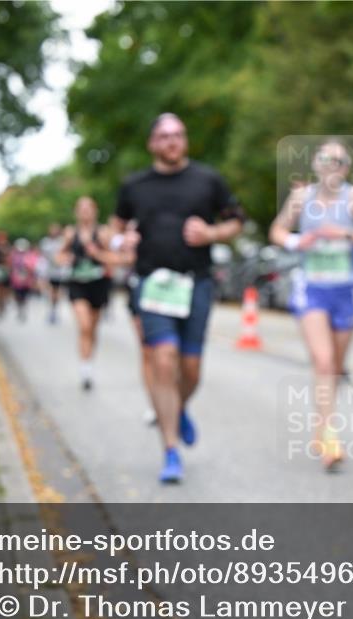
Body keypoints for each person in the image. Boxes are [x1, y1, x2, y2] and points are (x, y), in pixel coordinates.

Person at [111, 112, 244, 484]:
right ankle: (170, 449)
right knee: (163, 359)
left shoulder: (207, 180)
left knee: (191, 370)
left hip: (196, 283)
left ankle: (178, 407)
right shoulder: (134, 186)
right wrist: (124, 241)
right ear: (152, 143)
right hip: (152, 283)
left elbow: (237, 221)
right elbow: (115, 229)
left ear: (184, 141)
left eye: (179, 135)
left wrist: (212, 233)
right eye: (165, 136)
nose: (172, 142)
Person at [269, 139, 353, 471]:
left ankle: (322, 425)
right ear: (316, 165)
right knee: (323, 361)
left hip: (345, 290)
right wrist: (296, 241)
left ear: (346, 167)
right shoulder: (301, 198)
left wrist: (344, 235)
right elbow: (277, 230)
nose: (331, 166)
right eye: (325, 160)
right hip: (312, 288)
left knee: (335, 365)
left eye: (338, 161)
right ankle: (330, 434)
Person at [58, 197, 120, 391]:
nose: (85, 212)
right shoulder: (70, 233)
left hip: (98, 284)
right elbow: (59, 255)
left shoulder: (103, 233)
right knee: (84, 326)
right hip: (77, 284)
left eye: (88, 208)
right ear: (76, 212)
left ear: (95, 211)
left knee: (92, 329)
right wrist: (64, 259)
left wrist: (98, 255)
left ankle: (88, 363)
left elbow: (115, 259)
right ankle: (85, 370)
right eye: (81, 209)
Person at [38, 223, 68, 324]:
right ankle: (51, 311)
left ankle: (54, 311)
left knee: (57, 292)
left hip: (59, 272)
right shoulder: (45, 242)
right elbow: (43, 257)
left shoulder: (62, 241)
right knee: (50, 291)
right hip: (49, 271)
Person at [9, 238, 36, 323]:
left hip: (27, 280)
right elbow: (10, 265)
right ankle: (19, 308)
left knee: (25, 295)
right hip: (16, 279)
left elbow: (32, 266)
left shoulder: (30, 255)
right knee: (17, 294)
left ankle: (23, 308)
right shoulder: (14, 255)